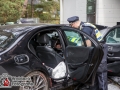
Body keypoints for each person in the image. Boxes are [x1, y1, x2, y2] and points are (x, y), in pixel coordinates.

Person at [67, 16, 108, 90]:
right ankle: (95, 88)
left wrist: (84, 54)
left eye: (71, 25)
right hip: (96, 48)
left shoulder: (85, 29)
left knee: (100, 70)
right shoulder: (84, 26)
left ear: (75, 23)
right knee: (94, 70)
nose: (71, 27)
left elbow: (88, 45)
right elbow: (86, 42)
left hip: (100, 49)